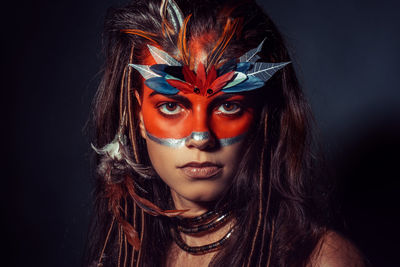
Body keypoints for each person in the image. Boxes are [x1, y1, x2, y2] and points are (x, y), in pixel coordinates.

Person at [85, 0, 366, 266]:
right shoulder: (121, 256)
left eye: (228, 105)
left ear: (260, 116)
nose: (201, 136)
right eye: (171, 106)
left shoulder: (320, 260)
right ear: (139, 117)